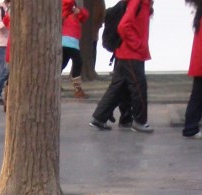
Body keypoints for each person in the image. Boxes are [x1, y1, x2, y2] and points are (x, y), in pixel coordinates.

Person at [90, 0, 153, 133]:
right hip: (132, 53)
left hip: (125, 52)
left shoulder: (141, 3)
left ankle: (99, 117)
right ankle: (140, 121)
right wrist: (137, 44)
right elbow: (124, 26)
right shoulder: (138, 2)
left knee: (117, 87)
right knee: (139, 87)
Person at [182, 0, 202, 138]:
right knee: (197, 97)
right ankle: (190, 128)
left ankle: (190, 127)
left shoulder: (199, 16)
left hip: (199, 63)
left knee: (197, 96)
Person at [61, 0, 88, 98]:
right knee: (78, 62)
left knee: (63, 63)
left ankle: (54, 83)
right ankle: (77, 89)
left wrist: (78, 11)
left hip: (70, 41)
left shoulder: (73, 11)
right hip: (69, 41)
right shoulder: (65, 10)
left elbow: (84, 16)